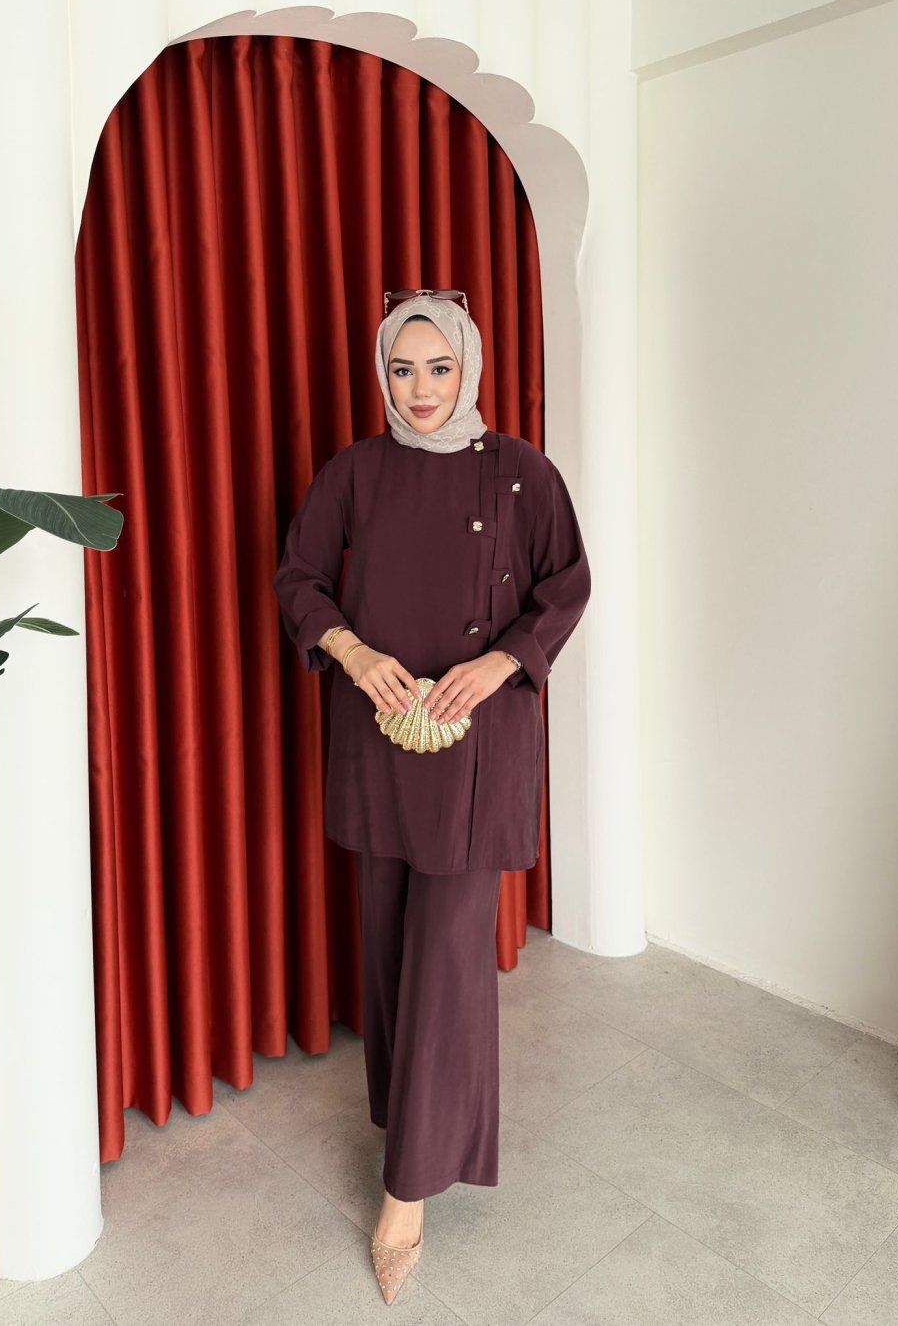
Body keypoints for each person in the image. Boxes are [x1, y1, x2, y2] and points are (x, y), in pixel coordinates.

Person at [272, 290, 591, 1305]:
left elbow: (566, 585)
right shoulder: (355, 472)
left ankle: (406, 1189)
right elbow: (297, 578)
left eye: (438, 368)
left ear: (469, 368)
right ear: (383, 373)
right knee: (391, 946)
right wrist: (352, 651)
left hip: (477, 742)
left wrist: (502, 662)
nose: (420, 389)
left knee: (450, 954)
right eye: (402, 370)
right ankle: (410, 1118)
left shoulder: (522, 471)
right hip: (381, 734)